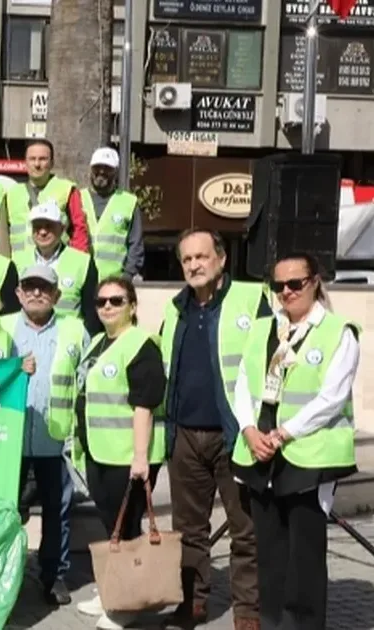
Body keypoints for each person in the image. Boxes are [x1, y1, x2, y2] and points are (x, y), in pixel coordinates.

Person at [232, 253, 359, 630]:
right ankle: (272, 623)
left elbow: (331, 398)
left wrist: (286, 433)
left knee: (303, 558)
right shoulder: (262, 329)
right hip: (262, 455)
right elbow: (242, 383)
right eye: (279, 285)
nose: (286, 292)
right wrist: (249, 430)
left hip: (308, 457)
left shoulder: (339, 332)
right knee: (269, 556)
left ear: (315, 282)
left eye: (295, 284)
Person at [159, 229, 270, 630]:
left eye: (201, 257)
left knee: (246, 531)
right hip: (185, 436)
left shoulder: (251, 299)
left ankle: (248, 612)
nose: (194, 265)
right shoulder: (176, 309)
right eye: (187, 260)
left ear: (221, 259)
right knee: (188, 531)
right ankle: (192, 604)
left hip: (236, 434)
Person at [72, 277, 167, 630]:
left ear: (132, 305)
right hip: (100, 452)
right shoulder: (98, 342)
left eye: (116, 300)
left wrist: (140, 457)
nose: (108, 307)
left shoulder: (141, 345)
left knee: (125, 529)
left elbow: (144, 404)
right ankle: (110, 591)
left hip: (128, 456)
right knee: (110, 525)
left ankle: (126, 606)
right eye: (101, 302)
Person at [1, 264, 87, 607]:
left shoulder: (75, 330)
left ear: (57, 295)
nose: (37, 293)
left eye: (44, 287)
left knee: (57, 510)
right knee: (6, 511)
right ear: (19, 292)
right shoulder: (2, 327)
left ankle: (53, 575)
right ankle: (4, 576)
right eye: (30, 286)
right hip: (10, 440)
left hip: (56, 439)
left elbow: (84, 383)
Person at [14, 201, 101, 335]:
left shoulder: (82, 262)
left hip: (69, 340)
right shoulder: (17, 261)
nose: (42, 232)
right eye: (37, 226)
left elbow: (92, 313)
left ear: (62, 229)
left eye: (49, 226)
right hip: (26, 339)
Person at [5, 139, 90, 257]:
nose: (37, 164)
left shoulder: (66, 189)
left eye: (42, 159)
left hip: (58, 264)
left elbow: (79, 230)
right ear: (25, 162)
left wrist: (78, 263)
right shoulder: (11, 193)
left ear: (52, 163)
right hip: (20, 266)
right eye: (32, 159)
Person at [80, 147, 145, 280]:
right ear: (91, 170)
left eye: (107, 168)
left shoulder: (128, 202)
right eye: (97, 167)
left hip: (114, 280)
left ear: (115, 172)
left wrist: (128, 275)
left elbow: (135, 244)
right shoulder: (78, 198)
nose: (101, 172)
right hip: (81, 278)